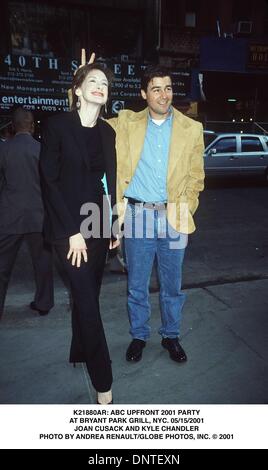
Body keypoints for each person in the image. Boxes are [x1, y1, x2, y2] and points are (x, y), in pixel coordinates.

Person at [108, 64, 205, 364]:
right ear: (143, 93)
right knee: (137, 284)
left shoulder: (192, 129)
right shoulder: (126, 123)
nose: (164, 95)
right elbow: (87, 120)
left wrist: (186, 206)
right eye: (156, 89)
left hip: (174, 217)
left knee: (172, 285)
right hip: (137, 216)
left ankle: (171, 336)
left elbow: (196, 177)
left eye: (168, 88)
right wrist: (79, 85)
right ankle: (139, 335)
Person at [40, 62, 119, 405]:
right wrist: (71, 230)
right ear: (77, 89)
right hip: (67, 227)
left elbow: (107, 181)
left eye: (104, 82)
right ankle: (104, 383)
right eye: (93, 80)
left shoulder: (108, 132)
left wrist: (113, 221)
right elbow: (49, 181)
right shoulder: (57, 126)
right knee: (86, 300)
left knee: (90, 296)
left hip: (99, 222)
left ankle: (78, 350)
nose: (100, 85)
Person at [0, 108, 54, 319]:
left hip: (8, 216)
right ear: (32, 126)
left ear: (13, 126)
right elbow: (50, 185)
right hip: (38, 216)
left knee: (2, 267)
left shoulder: (4, 150)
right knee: (42, 263)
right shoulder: (42, 150)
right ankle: (44, 303)